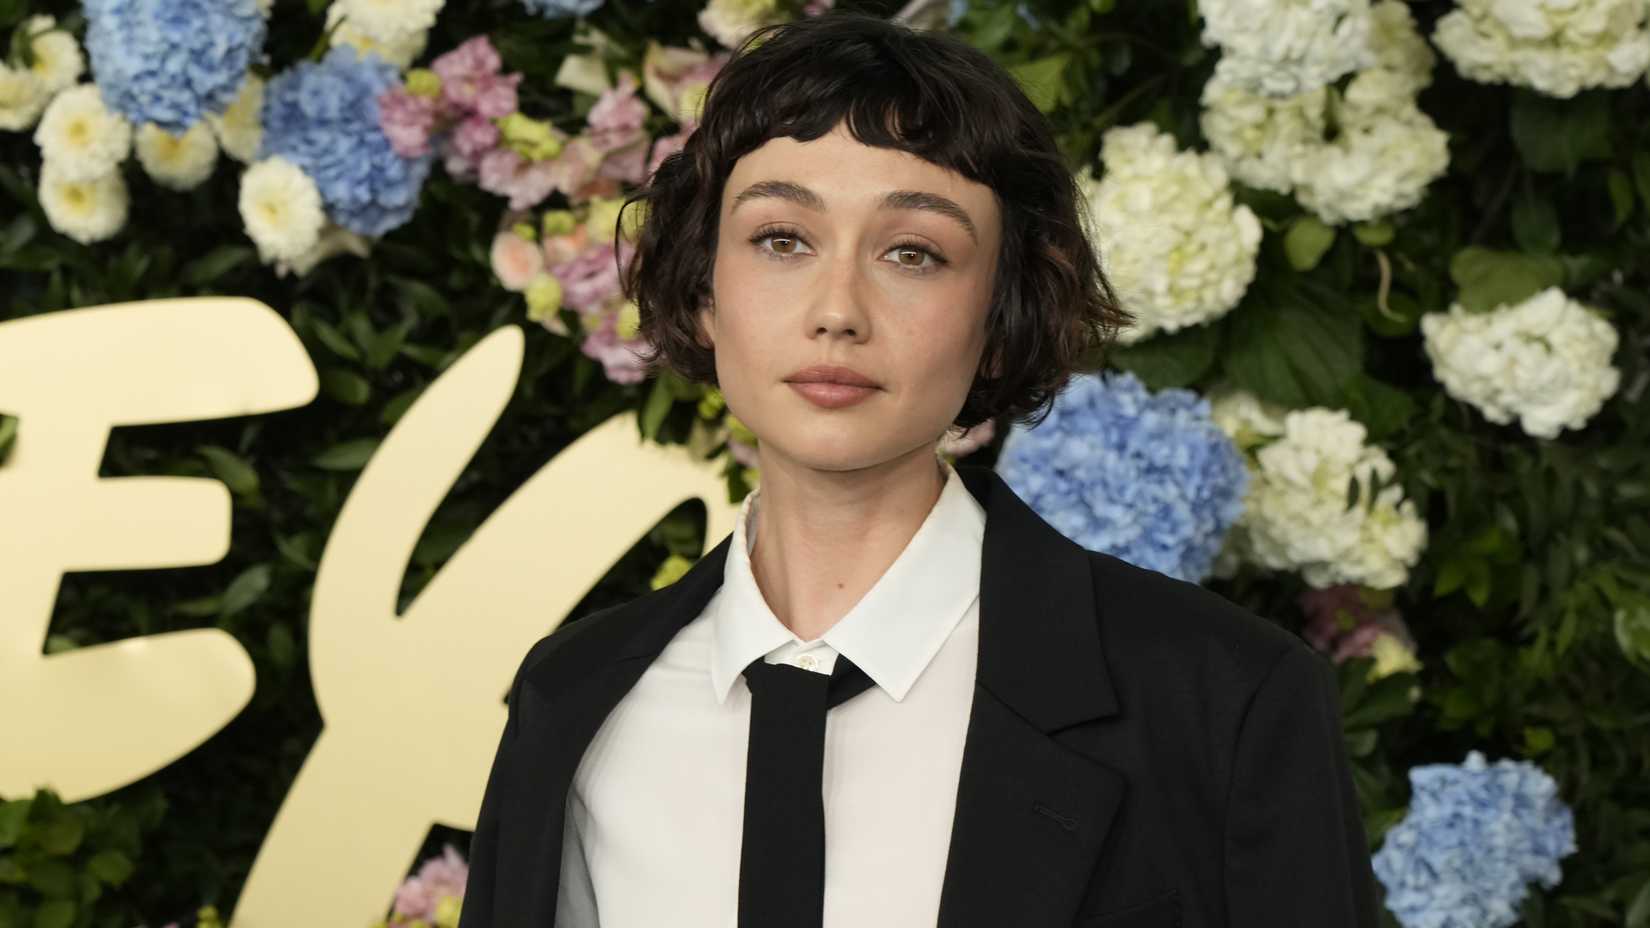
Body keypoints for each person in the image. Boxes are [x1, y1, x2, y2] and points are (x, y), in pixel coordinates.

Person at [459, 10, 1380, 928]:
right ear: (705, 292)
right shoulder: (573, 699)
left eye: (914, 253)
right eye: (782, 239)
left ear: (1001, 318)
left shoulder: (1225, 698)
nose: (837, 310)